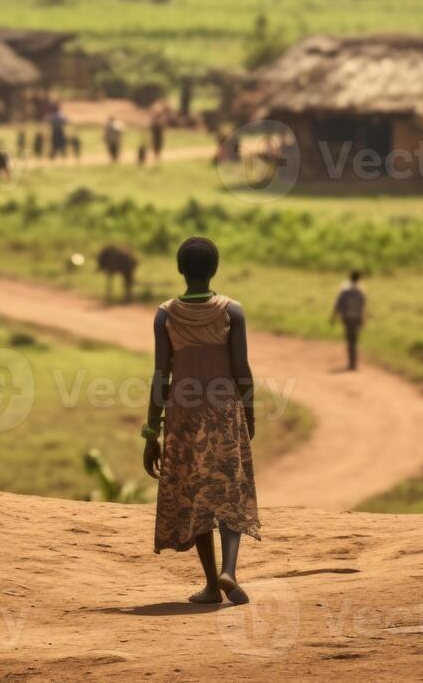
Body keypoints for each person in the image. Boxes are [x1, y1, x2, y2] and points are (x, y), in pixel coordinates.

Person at [143, 237, 260, 606]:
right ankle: (229, 571)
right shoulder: (232, 312)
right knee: (229, 492)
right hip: (224, 412)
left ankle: (211, 582)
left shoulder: (166, 315)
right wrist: (250, 411)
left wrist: (151, 431)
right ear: (215, 269)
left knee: (195, 496)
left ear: (181, 269)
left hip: (183, 417)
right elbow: (242, 370)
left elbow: (161, 375)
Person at [330, 271, 367, 371]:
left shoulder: (345, 291)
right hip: (356, 318)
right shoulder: (361, 291)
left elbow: (338, 304)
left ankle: (352, 363)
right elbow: (362, 306)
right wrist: (363, 318)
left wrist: (333, 316)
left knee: (350, 341)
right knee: (354, 341)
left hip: (347, 317)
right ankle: (353, 363)